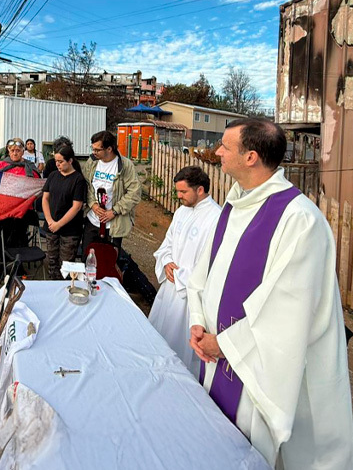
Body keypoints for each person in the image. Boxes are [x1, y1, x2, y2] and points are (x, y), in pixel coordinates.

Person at [187, 118, 353, 469]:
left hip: (256, 367)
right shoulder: (234, 206)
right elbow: (206, 272)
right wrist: (198, 321)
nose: (217, 152)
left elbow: (286, 312)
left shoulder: (299, 219)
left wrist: (224, 345)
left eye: (225, 147)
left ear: (250, 157)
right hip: (216, 354)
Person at [149, 166, 221, 378]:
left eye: (183, 192)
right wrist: (167, 262)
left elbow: (212, 265)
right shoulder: (181, 212)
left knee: (181, 352)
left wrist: (181, 276)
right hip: (168, 290)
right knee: (160, 340)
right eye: (177, 191)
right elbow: (167, 244)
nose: (178, 196)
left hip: (189, 297)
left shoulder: (216, 218)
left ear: (200, 190)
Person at [80, 130, 156, 302]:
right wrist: (92, 204)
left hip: (114, 224)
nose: (94, 153)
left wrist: (114, 211)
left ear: (110, 148)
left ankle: (111, 297)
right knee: (89, 257)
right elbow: (86, 187)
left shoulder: (125, 166)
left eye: (98, 150)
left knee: (110, 260)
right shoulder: (92, 163)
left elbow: (135, 193)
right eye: (93, 149)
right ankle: (90, 293)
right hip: (93, 220)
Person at [40, 143, 88, 280]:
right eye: (56, 161)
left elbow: (76, 206)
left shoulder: (78, 179)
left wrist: (59, 224)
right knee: (52, 262)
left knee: (66, 266)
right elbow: (45, 199)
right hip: (51, 226)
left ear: (70, 161)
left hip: (70, 230)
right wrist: (49, 221)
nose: (57, 164)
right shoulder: (53, 175)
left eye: (61, 162)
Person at [0, 138, 41, 249]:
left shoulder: (29, 166)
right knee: (6, 234)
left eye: (18, 150)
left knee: (21, 234)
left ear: (23, 151)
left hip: (23, 209)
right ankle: (4, 261)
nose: (15, 153)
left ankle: (20, 261)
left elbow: (37, 184)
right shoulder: (1, 165)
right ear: (8, 151)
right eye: (12, 150)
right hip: (5, 209)